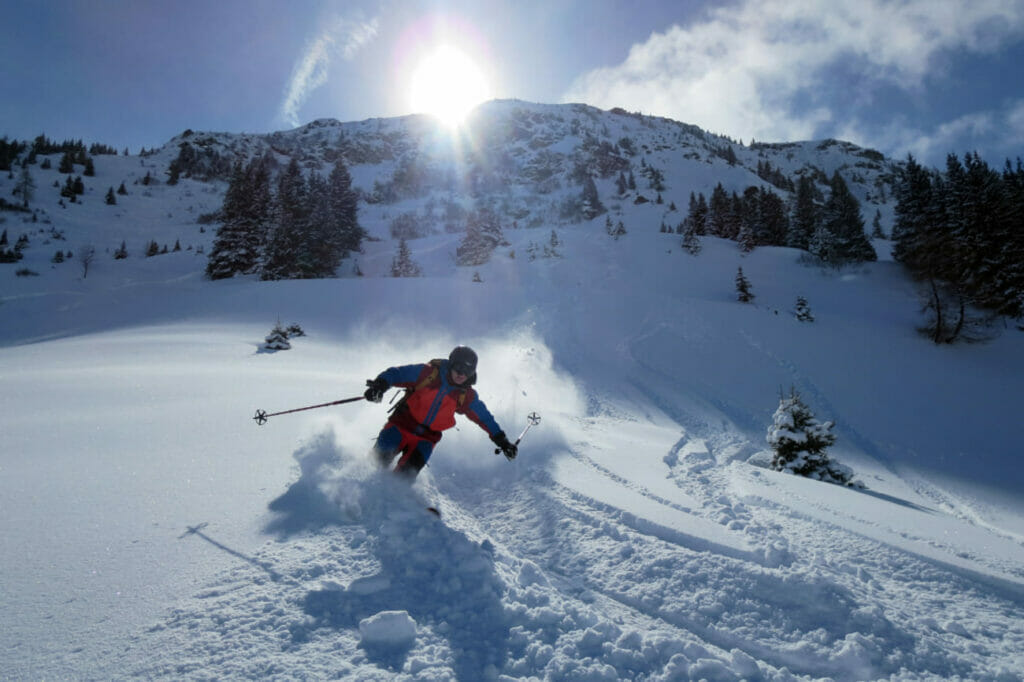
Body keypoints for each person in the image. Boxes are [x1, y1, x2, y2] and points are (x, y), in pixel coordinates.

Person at [364, 345, 517, 479]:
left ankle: (390, 504)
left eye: (468, 371)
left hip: (426, 439)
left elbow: (484, 418)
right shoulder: (429, 373)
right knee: (374, 465)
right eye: (459, 367)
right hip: (400, 425)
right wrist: (379, 386)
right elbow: (398, 373)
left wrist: (502, 441)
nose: (461, 374)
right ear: (451, 364)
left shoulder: (466, 395)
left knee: (402, 480)